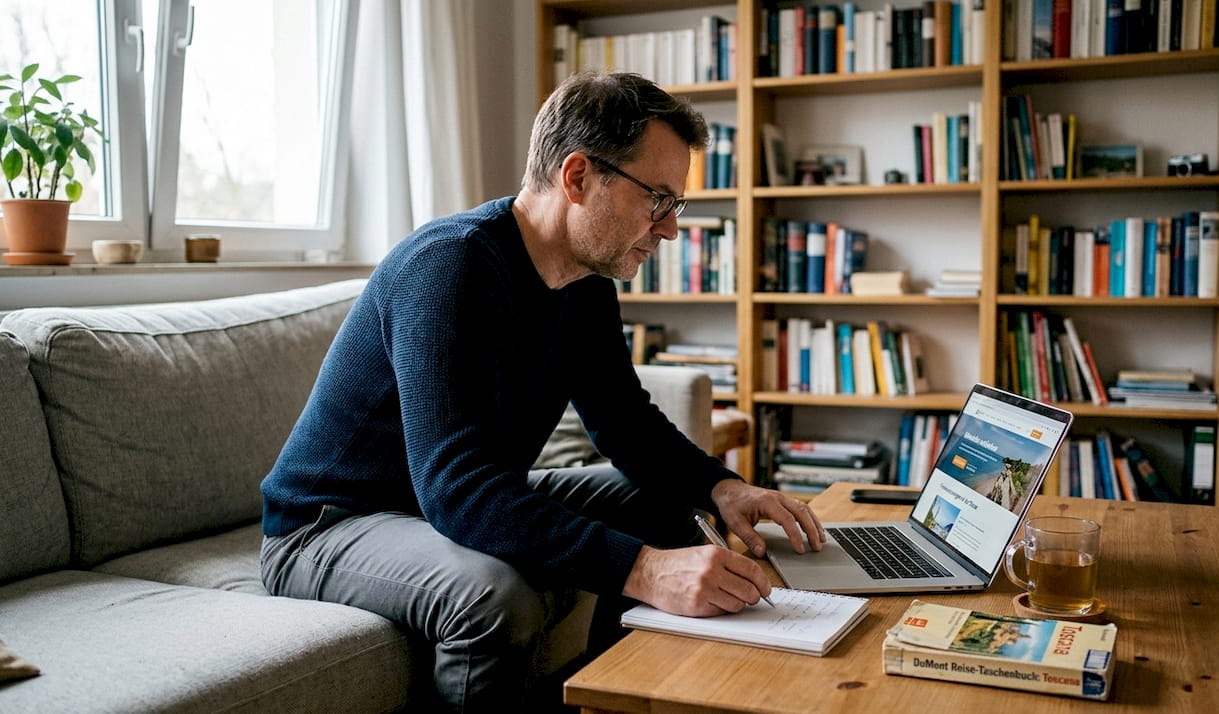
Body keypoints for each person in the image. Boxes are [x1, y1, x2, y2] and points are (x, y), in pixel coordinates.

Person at [259, 71, 825, 712]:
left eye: (676, 206)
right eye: (657, 200)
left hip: (435, 503)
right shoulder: (447, 269)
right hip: (329, 526)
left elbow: (626, 424)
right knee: (495, 597)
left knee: (666, 502)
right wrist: (644, 569)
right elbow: (458, 489)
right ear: (578, 176)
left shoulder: (585, 283)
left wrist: (727, 488)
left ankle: (616, 698)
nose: (669, 230)